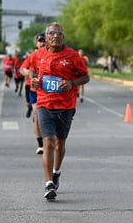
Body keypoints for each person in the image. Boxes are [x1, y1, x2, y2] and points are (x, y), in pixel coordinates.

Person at [29, 22, 90, 200]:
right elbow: (32, 72)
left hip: (66, 106)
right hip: (44, 104)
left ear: (63, 37)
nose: (56, 36)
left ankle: (56, 172)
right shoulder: (37, 55)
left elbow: (85, 77)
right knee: (48, 142)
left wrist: (72, 83)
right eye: (52, 34)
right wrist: (33, 81)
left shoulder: (72, 56)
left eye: (59, 34)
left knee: (60, 144)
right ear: (46, 37)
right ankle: (49, 183)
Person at [21, 33, 47, 154]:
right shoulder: (33, 56)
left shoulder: (53, 55)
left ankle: (52, 139)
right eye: (40, 41)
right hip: (34, 90)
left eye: (44, 41)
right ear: (36, 43)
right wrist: (30, 74)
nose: (42, 43)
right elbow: (23, 69)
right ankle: (40, 144)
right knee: (36, 115)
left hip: (49, 91)